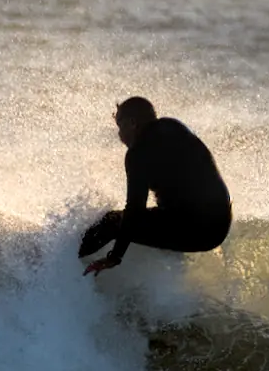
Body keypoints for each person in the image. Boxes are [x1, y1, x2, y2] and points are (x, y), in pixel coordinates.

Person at [79, 97, 232, 276]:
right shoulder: (175, 127)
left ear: (132, 123)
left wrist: (115, 256)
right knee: (162, 214)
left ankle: (63, 263)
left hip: (196, 229)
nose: (120, 136)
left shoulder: (137, 154)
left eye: (120, 127)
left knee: (112, 221)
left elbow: (135, 210)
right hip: (220, 224)